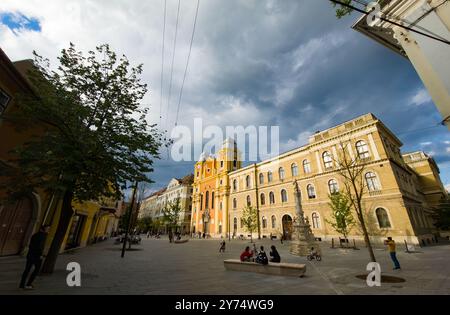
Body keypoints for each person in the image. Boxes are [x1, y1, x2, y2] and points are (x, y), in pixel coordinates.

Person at [20, 225, 50, 289]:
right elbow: (40, 246)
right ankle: (29, 284)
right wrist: (41, 255)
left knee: (27, 270)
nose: (48, 230)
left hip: (30, 255)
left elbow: (32, 245)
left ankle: (22, 285)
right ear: (42, 229)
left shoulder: (35, 235)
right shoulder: (43, 235)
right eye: (47, 229)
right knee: (36, 270)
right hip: (37, 256)